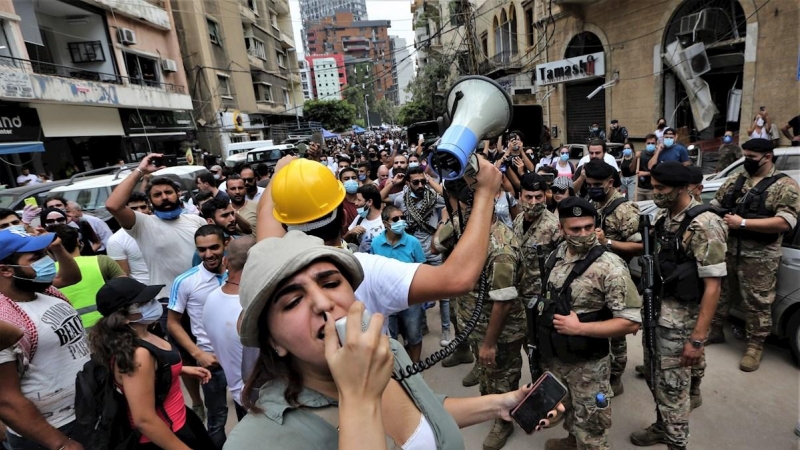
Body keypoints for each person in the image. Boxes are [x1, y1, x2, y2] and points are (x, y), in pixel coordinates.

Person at [226, 231, 560, 449]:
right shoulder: (257, 442)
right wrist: (358, 396)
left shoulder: (389, 352)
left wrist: (499, 404)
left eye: (330, 283)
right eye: (293, 301)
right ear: (274, 342)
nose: (323, 303)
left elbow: (426, 411)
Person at [258, 155, 504, 334]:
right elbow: (458, 279)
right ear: (344, 215)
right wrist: (485, 194)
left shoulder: (267, 266)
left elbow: (266, 217)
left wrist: (282, 176)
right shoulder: (362, 270)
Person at [629, 162, 727, 450]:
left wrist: (697, 340)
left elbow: (713, 286)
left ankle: (676, 442)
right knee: (654, 376)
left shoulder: (705, 224)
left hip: (681, 322)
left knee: (673, 388)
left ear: (683, 188)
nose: (655, 193)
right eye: (654, 187)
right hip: (656, 313)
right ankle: (662, 426)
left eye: (662, 188)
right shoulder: (664, 216)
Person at [538, 197, 641, 450]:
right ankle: (572, 441)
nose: (584, 234)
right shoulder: (556, 255)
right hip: (557, 355)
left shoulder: (611, 266)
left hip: (588, 365)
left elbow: (630, 323)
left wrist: (579, 328)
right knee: (568, 409)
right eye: (575, 229)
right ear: (561, 229)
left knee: (592, 427)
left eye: (588, 227)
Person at [432, 185, 525, 450]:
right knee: (487, 374)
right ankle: (489, 404)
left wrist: (488, 343)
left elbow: (503, 302)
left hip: (499, 330)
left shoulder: (500, 248)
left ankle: (504, 421)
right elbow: (436, 245)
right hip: (474, 321)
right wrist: (451, 225)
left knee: (504, 376)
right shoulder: (466, 228)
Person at [89, 278, 213, 449]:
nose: (154, 304)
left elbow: (153, 371)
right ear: (123, 317)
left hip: (181, 419)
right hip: (167, 436)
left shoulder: (144, 333)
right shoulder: (137, 355)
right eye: (144, 303)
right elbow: (144, 420)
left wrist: (180, 369)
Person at [709, 138, 800, 371]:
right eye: (745, 156)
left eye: (751, 158)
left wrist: (742, 223)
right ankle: (716, 330)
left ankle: (755, 346)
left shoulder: (785, 185)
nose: (746, 161)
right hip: (729, 250)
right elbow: (716, 206)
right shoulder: (736, 180)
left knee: (758, 302)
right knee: (721, 293)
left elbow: (785, 222)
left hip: (761, 256)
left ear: (767, 157)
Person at [0, 231, 86, 450]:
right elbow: (6, 399)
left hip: (86, 414)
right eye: (36, 257)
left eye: (45, 253)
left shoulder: (45, 291)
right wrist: (60, 444)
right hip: (53, 430)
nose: (47, 261)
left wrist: (57, 247)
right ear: (6, 270)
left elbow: (71, 277)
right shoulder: (4, 320)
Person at [583, 160, 642, 396]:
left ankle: (615, 377)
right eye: (589, 184)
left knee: (616, 330)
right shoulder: (592, 203)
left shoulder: (625, 210)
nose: (593, 188)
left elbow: (639, 247)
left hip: (617, 277)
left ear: (610, 183)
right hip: (592, 278)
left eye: (598, 184)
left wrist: (607, 242)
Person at [168, 226, 230, 448]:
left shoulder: (240, 273)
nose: (208, 254)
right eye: (202, 250)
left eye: (214, 247)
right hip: (210, 362)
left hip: (241, 359)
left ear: (226, 244)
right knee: (217, 419)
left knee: (250, 411)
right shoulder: (185, 281)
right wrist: (198, 354)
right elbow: (173, 323)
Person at [393, 165, 451, 345]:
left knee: (444, 292)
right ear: (408, 183)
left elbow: (450, 198)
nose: (420, 185)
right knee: (416, 292)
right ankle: (423, 324)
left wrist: (431, 181)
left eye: (422, 181)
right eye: (415, 182)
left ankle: (446, 329)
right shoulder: (400, 200)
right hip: (411, 252)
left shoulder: (434, 197)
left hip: (433, 250)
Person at [513, 173, 561, 379]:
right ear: (520, 196)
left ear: (546, 196)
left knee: (543, 356)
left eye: (539, 197)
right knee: (528, 350)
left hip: (542, 302)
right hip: (519, 299)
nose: (533, 202)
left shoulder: (553, 227)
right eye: (529, 197)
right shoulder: (517, 219)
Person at [202, 237, 255, 421]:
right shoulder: (250, 308)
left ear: (225, 261)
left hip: (239, 395)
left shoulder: (211, 298)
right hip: (259, 401)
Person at [370, 206, 426, 363]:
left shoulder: (413, 242)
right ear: (385, 223)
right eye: (395, 219)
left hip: (410, 298)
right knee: (390, 338)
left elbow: (421, 268)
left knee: (414, 334)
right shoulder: (376, 243)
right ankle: (398, 369)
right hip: (386, 299)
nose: (400, 222)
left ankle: (415, 366)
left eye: (402, 218)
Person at [48, 224, 126, 328]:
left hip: (72, 333)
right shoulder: (102, 261)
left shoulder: (46, 274)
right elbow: (126, 289)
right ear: (77, 241)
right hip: (110, 327)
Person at [107, 193, 151, 284]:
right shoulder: (116, 240)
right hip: (144, 290)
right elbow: (123, 277)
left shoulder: (163, 227)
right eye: (134, 208)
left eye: (143, 207)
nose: (140, 211)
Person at [344, 184, 384, 253]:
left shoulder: (385, 219)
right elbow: (343, 242)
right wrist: (350, 233)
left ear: (369, 202)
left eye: (359, 200)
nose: (356, 203)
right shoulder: (360, 218)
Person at [339, 167, 360, 235]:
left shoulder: (366, 200)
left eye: (353, 178)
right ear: (341, 182)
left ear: (358, 180)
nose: (351, 181)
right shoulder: (338, 203)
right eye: (346, 179)